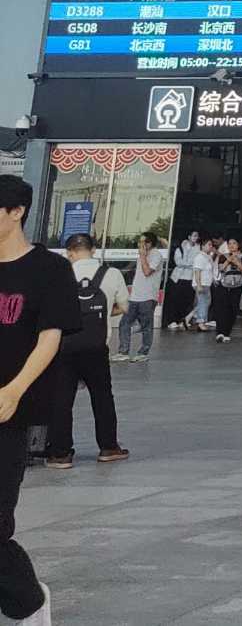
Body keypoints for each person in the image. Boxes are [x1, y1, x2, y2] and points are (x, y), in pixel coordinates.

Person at [0, 174, 80, 625]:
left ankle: (28, 601)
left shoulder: (49, 269)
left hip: (10, 410)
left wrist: (14, 389)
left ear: (16, 212)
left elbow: (50, 338)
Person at [46, 233, 129, 469]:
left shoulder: (60, 274)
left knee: (62, 399)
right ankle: (108, 447)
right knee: (102, 397)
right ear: (93, 250)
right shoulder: (111, 274)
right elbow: (124, 306)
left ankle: (60, 454)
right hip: (96, 347)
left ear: (69, 252)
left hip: (65, 346)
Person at [114, 233, 162, 363]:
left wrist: (143, 256)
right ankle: (123, 351)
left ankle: (143, 353)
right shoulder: (141, 255)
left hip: (148, 296)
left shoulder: (156, 255)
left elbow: (147, 272)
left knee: (146, 326)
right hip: (135, 296)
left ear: (150, 243)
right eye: (139, 242)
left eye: (143, 242)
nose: (140, 244)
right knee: (124, 323)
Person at [210, 237, 242, 343]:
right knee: (222, 309)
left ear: (238, 245)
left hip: (237, 285)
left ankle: (227, 333)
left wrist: (237, 262)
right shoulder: (223, 256)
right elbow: (221, 269)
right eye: (229, 244)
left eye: (234, 243)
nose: (231, 245)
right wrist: (228, 260)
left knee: (233, 309)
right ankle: (220, 332)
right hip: (224, 285)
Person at [162, 230, 199, 331]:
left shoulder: (198, 249)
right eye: (194, 236)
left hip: (190, 278)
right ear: (189, 237)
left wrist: (189, 264)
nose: (196, 238)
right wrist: (191, 264)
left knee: (187, 300)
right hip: (178, 278)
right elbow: (178, 262)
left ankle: (182, 320)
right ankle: (172, 321)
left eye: (197, 236)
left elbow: (197, 262)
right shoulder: (180, 248)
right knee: (175, 300)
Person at [191, 237, 218, 332]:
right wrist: (198, 285)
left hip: (206, 283)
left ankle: (192, 317)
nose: (211, 246)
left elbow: (210, 270)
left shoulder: (208, 257)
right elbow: (197, 272)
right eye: (209, 245)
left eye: (211, 245)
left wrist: (213, 280)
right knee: (203, 303)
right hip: (201, 283)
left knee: (206, 302)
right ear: (202, 246)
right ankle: (201, 322)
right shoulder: (200, 257)